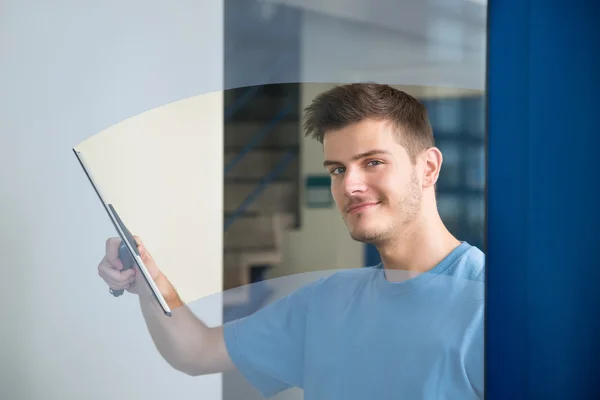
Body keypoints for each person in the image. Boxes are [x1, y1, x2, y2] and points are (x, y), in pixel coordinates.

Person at [98, 83, 485, 399]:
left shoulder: (495, 306)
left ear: (428, 168)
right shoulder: (325, 302)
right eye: (337, 169)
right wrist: (149, 283)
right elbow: (196, 352)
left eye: (373, 162)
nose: (349, 185)